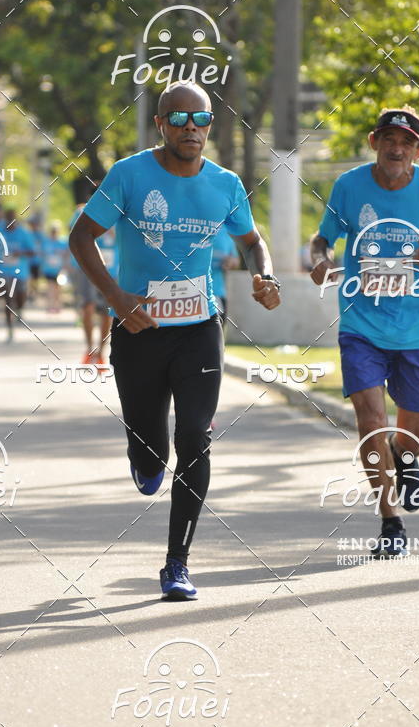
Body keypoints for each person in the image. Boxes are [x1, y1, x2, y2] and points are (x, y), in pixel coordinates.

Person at [70, 81, 280, 600]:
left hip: (200, 330)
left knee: (194, 436)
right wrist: (118, 300)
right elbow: (81, 237)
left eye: (202, 119)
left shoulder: (226, 184)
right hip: (139, 331)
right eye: (181, 118)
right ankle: (144, 455)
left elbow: (253, 242)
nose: (192, 128)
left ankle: (176, 564)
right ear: (160, 125)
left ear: (211, 126)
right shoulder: (129, 174)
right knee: (151, 450)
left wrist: (266, 276)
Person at [310, 106, 419, 558]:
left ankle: (407, 460)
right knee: (370, 422)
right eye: (388, 139)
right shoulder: (348, 187)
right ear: (374, 143)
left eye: (406, 142)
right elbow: (322, 238)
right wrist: (320, 259)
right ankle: (390, 522)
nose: (396, 148)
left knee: (413, 437)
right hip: (362, 325)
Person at [68, 181, 117, 364]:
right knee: (87, 308)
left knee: (107, 313)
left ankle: (101, 353)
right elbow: (76, 237)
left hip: (110, 270)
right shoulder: (82, 213)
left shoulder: (118, 213)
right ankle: (89, 349)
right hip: (87, 269)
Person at [0, 209, 35, 342]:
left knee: (19, 298)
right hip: (3, 271)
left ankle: (20, 309)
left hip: (20, 272)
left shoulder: (23, 233)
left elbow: (32, 252)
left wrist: (21, 253)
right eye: (7, 219)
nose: (9, 223)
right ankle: (10, 329)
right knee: (7, 299)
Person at [211, 224, 240, 325]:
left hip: (218, 292)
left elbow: (236, 260)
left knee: (218, 335)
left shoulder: (227, 231)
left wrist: (230, 262)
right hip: (193, 293)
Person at [41, 223, 67, 312]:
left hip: (59, 270)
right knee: (50, 288)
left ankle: (58, 306)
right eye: (52, 232)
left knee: (58, 288)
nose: (54, 233)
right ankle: (49, 306)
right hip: (49, 269)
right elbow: (43, 254)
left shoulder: (62, 242)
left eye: (55, 232)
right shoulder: (46, 242)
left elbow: (66, 255)